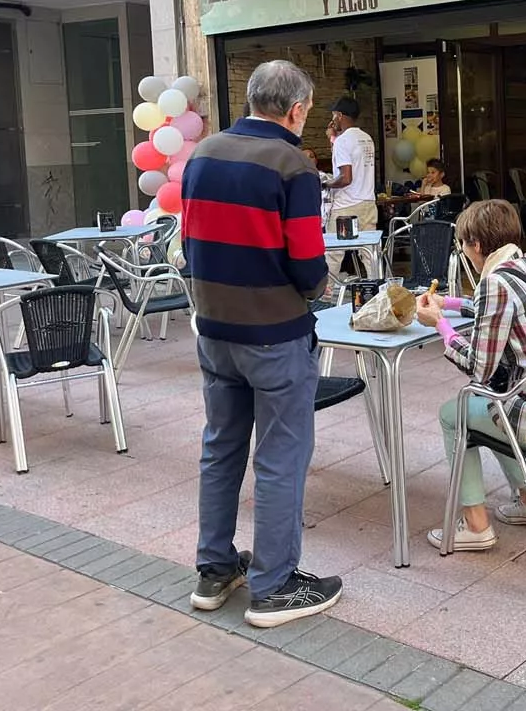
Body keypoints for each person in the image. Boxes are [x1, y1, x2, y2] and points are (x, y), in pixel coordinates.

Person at [181, 59, 342, 628]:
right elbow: (307, 265)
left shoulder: (201, 154)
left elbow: (187, 243)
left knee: (220, 448)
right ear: (297, 110)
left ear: (251, 99)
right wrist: (322, 286)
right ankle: (274, 584)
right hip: (275, 335)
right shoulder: (291, 164)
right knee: (280, 457)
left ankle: (214, 568)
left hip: (215, 330)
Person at [414, 200, 526, 552]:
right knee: (492, 403)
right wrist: (450, 304)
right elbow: (499, 310)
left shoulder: (496, 284)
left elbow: (479, 368)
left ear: (475, 245)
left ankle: (476, 525)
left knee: (456, 414)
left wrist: (439, 325)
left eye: (463, 245)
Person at [324, 96, 376, 286]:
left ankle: (326, 297)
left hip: (345, 207)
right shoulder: (366, 138)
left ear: (339, 115)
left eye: (333, 115)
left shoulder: (343, 141)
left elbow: (345, 177)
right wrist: (332, 138)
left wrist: (326, 184)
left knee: (332, 254)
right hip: (368, 202)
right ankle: (379, 294)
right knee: (370, 254)